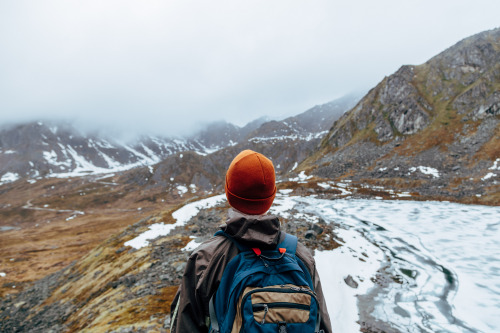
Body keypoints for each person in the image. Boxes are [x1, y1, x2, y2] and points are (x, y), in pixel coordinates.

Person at [170, 149, 332, 333]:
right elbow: (322, 325)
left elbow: (183, 326)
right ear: (271, 197)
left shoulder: (206, 259)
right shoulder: (302, 257)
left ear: (229, 192)